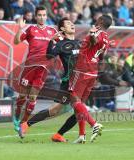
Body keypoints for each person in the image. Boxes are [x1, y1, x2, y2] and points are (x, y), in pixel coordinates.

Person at [18, 17, 79, 142]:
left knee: (75, 112)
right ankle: (26, 124)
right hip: (68, 83)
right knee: (57, 110)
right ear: (62, 29)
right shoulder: (61, 44)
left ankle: (58, 135)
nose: (72, 24)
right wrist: (51, 41)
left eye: (72, 23)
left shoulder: (79, 43)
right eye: (68, 23)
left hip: (79, 82)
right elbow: (49, 55)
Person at [67, 15, 113, 143]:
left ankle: (94, 124)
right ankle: (82, 135)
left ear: (101, 21)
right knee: (79, 104)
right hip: (93, 71)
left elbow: (94, 41)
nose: (96, 19)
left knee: (73, 98)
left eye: (98, 18)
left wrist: (92, 34)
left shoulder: (97, 32)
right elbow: (102, 56)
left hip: (82, 69)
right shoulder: (107, 38)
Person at [13, 6, 57, 137]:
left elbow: (62, 45)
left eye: (44, 15)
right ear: (36, 16)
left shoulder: (52, 31)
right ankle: (16, 117)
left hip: (42, 69)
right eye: (40, 15)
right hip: (29, 68)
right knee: (22, 96)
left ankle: (23, 123)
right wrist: (20, 29)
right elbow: (16, 42)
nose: (42, 17)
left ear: (46, 16)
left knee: (32, 98)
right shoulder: (30, 29)